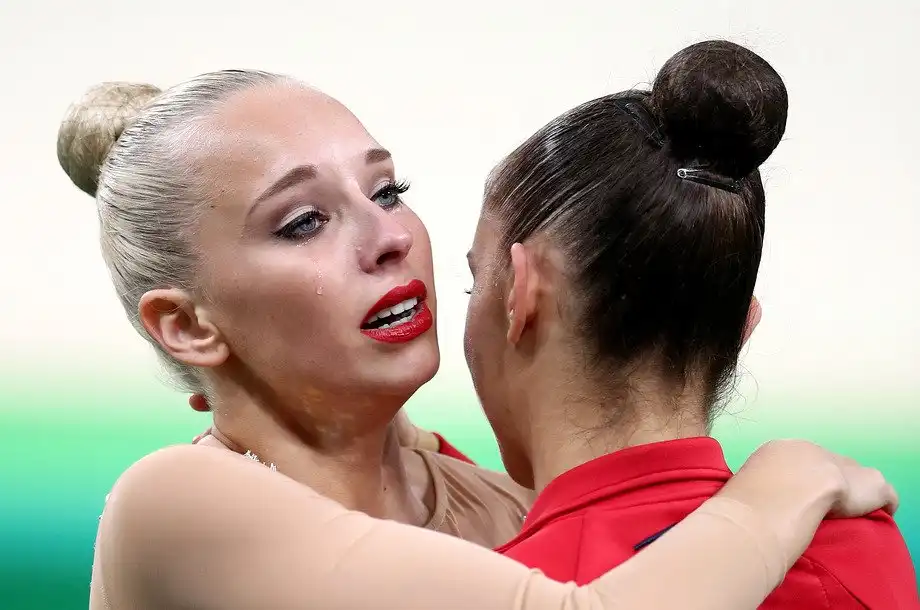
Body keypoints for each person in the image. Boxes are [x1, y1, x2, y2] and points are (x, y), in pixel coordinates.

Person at [57, 69, 899, 610]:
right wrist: (785, 480)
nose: (390, 238)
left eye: (387, 190)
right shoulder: (175, 503)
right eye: (304, 220)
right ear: (187, 325)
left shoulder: (503, 507)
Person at [458, 40, 919, 608]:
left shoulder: (494, 592)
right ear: (742, 326)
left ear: (522, 294)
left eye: (475, 282)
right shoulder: (855, 543)